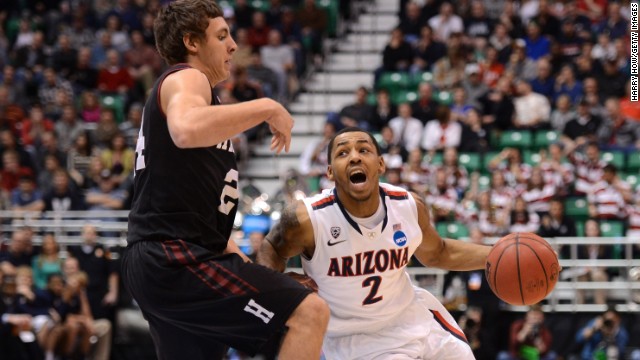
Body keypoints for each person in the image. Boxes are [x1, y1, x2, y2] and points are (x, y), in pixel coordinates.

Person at [121, 2, 329, 360]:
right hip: (173, 259)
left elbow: (208, 230)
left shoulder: (203, 106)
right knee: (309, 312)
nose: (233, 45)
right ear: (192, 42)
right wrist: (267, 106)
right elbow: (185, 130)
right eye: (222, 36)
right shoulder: (187, 77)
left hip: (165, 259)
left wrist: (259, 277)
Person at [258, 127, 492, 359]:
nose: (354, 157)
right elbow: (271, 247)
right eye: (342, 153)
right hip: (357, 341)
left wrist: (496, 255)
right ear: (329, 172)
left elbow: (438, 253)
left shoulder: (409, 206)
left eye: (363, 149)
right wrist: (276, 283)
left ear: (380, 164)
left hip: (417, 318)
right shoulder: (307, 219)